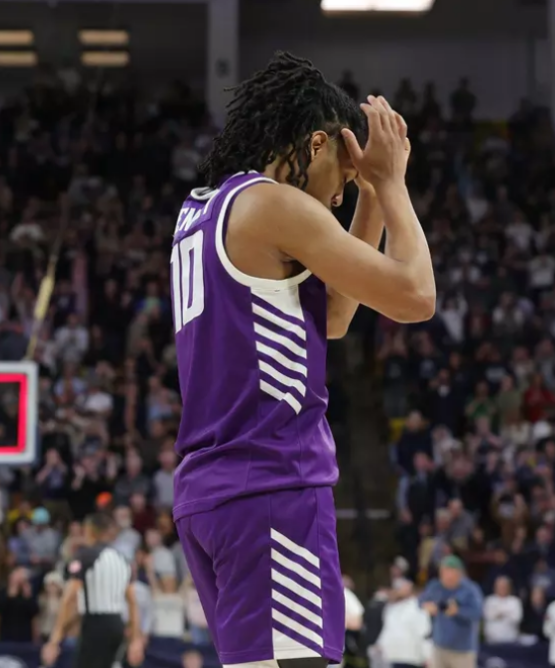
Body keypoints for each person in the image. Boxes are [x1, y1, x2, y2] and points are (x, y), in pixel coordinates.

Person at [171, 51, 434, 668]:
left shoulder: (205, 210)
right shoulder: (275, 205)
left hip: (212, 494)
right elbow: (416, 295)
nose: (339, 196)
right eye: (342, 176)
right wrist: (392, 185)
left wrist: (370, 196)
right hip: (272, 486)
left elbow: (334, 316)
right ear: (317, 143)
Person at [41, 512, 144, 668]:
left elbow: (69, 598)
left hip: (95, 625)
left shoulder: (85, 556)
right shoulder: (123, 560)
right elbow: (132, 602)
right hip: (117, 625)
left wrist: (54, 639)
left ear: (90, 531)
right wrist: (136, 639)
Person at [419, 556, 483, 668]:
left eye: (449, 572)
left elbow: (477, 613)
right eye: (443, 572)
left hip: (462, 651)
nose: (445, 576)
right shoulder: (435, 586)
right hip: (439, 648)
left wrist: (458, 611)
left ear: (459, 573)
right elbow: (420, 601)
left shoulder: (470, 590)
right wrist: (427, 606)